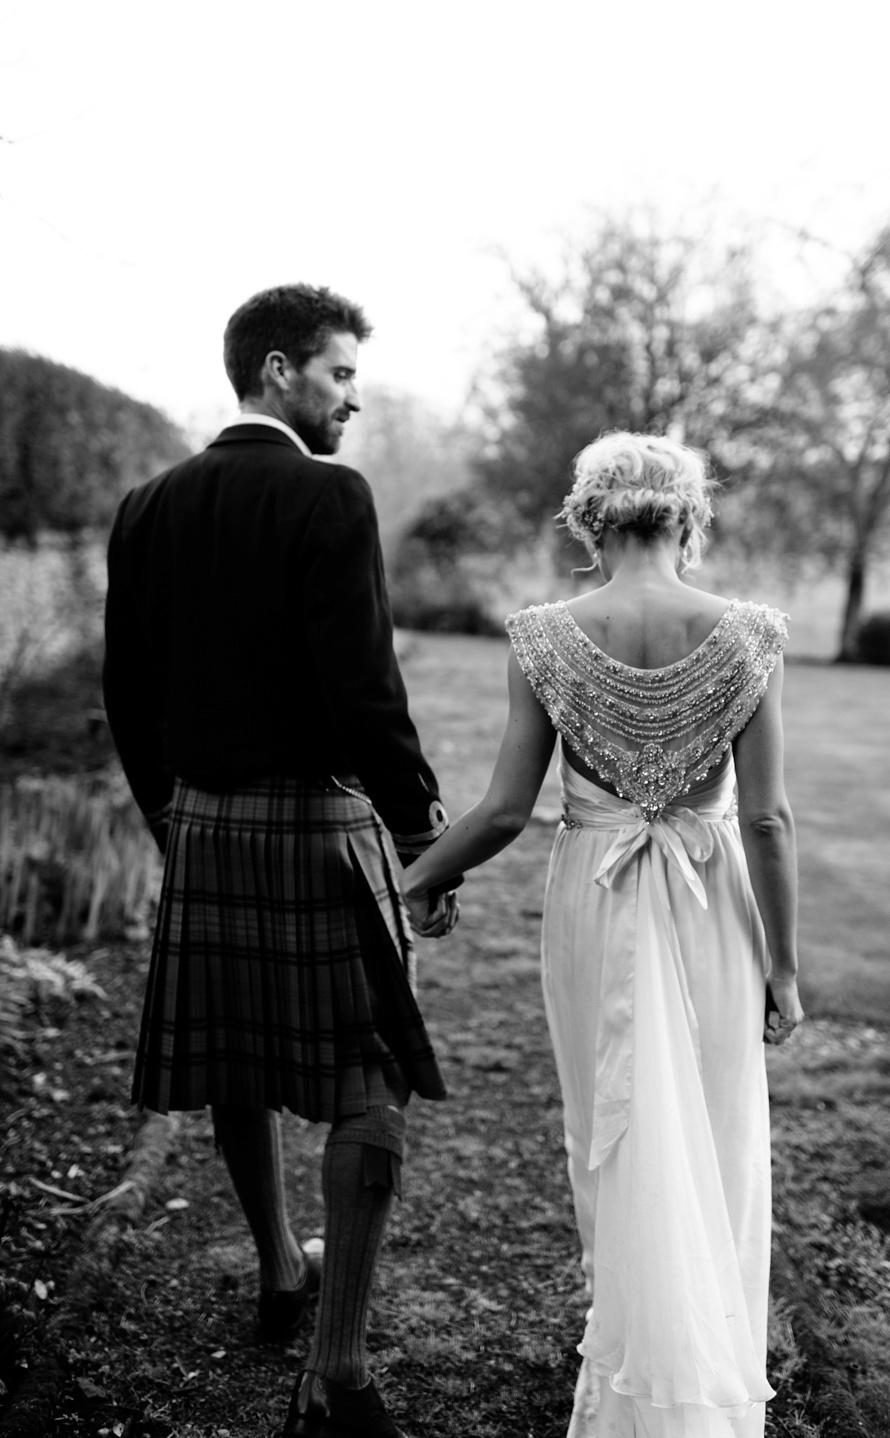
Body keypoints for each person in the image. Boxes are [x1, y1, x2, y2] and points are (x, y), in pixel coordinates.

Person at [103, 283, 458, 1438]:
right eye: (340, 373)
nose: (352, 397)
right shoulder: (327, 494)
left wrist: (175, 818)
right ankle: (340, 1367)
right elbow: (364, 685)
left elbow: (128, 693)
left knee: (236, 1061)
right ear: (275, 372)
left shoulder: (146, 506)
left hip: (202, 824)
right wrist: (418, 830)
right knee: (372, 1078)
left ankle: (276, 1267)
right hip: (315, 823)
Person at [401, 431, 804, 1438]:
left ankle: (638, 1353)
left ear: (588, 519)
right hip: (713, 899)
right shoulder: (748, 632)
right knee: (715, 1119)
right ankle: (699, 1355)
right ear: (689, 517)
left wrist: (418, 880)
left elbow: (500, 811)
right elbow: (766, 820)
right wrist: (786, 969)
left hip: (597, 889)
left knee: (613, 1121)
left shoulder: (544, 634)